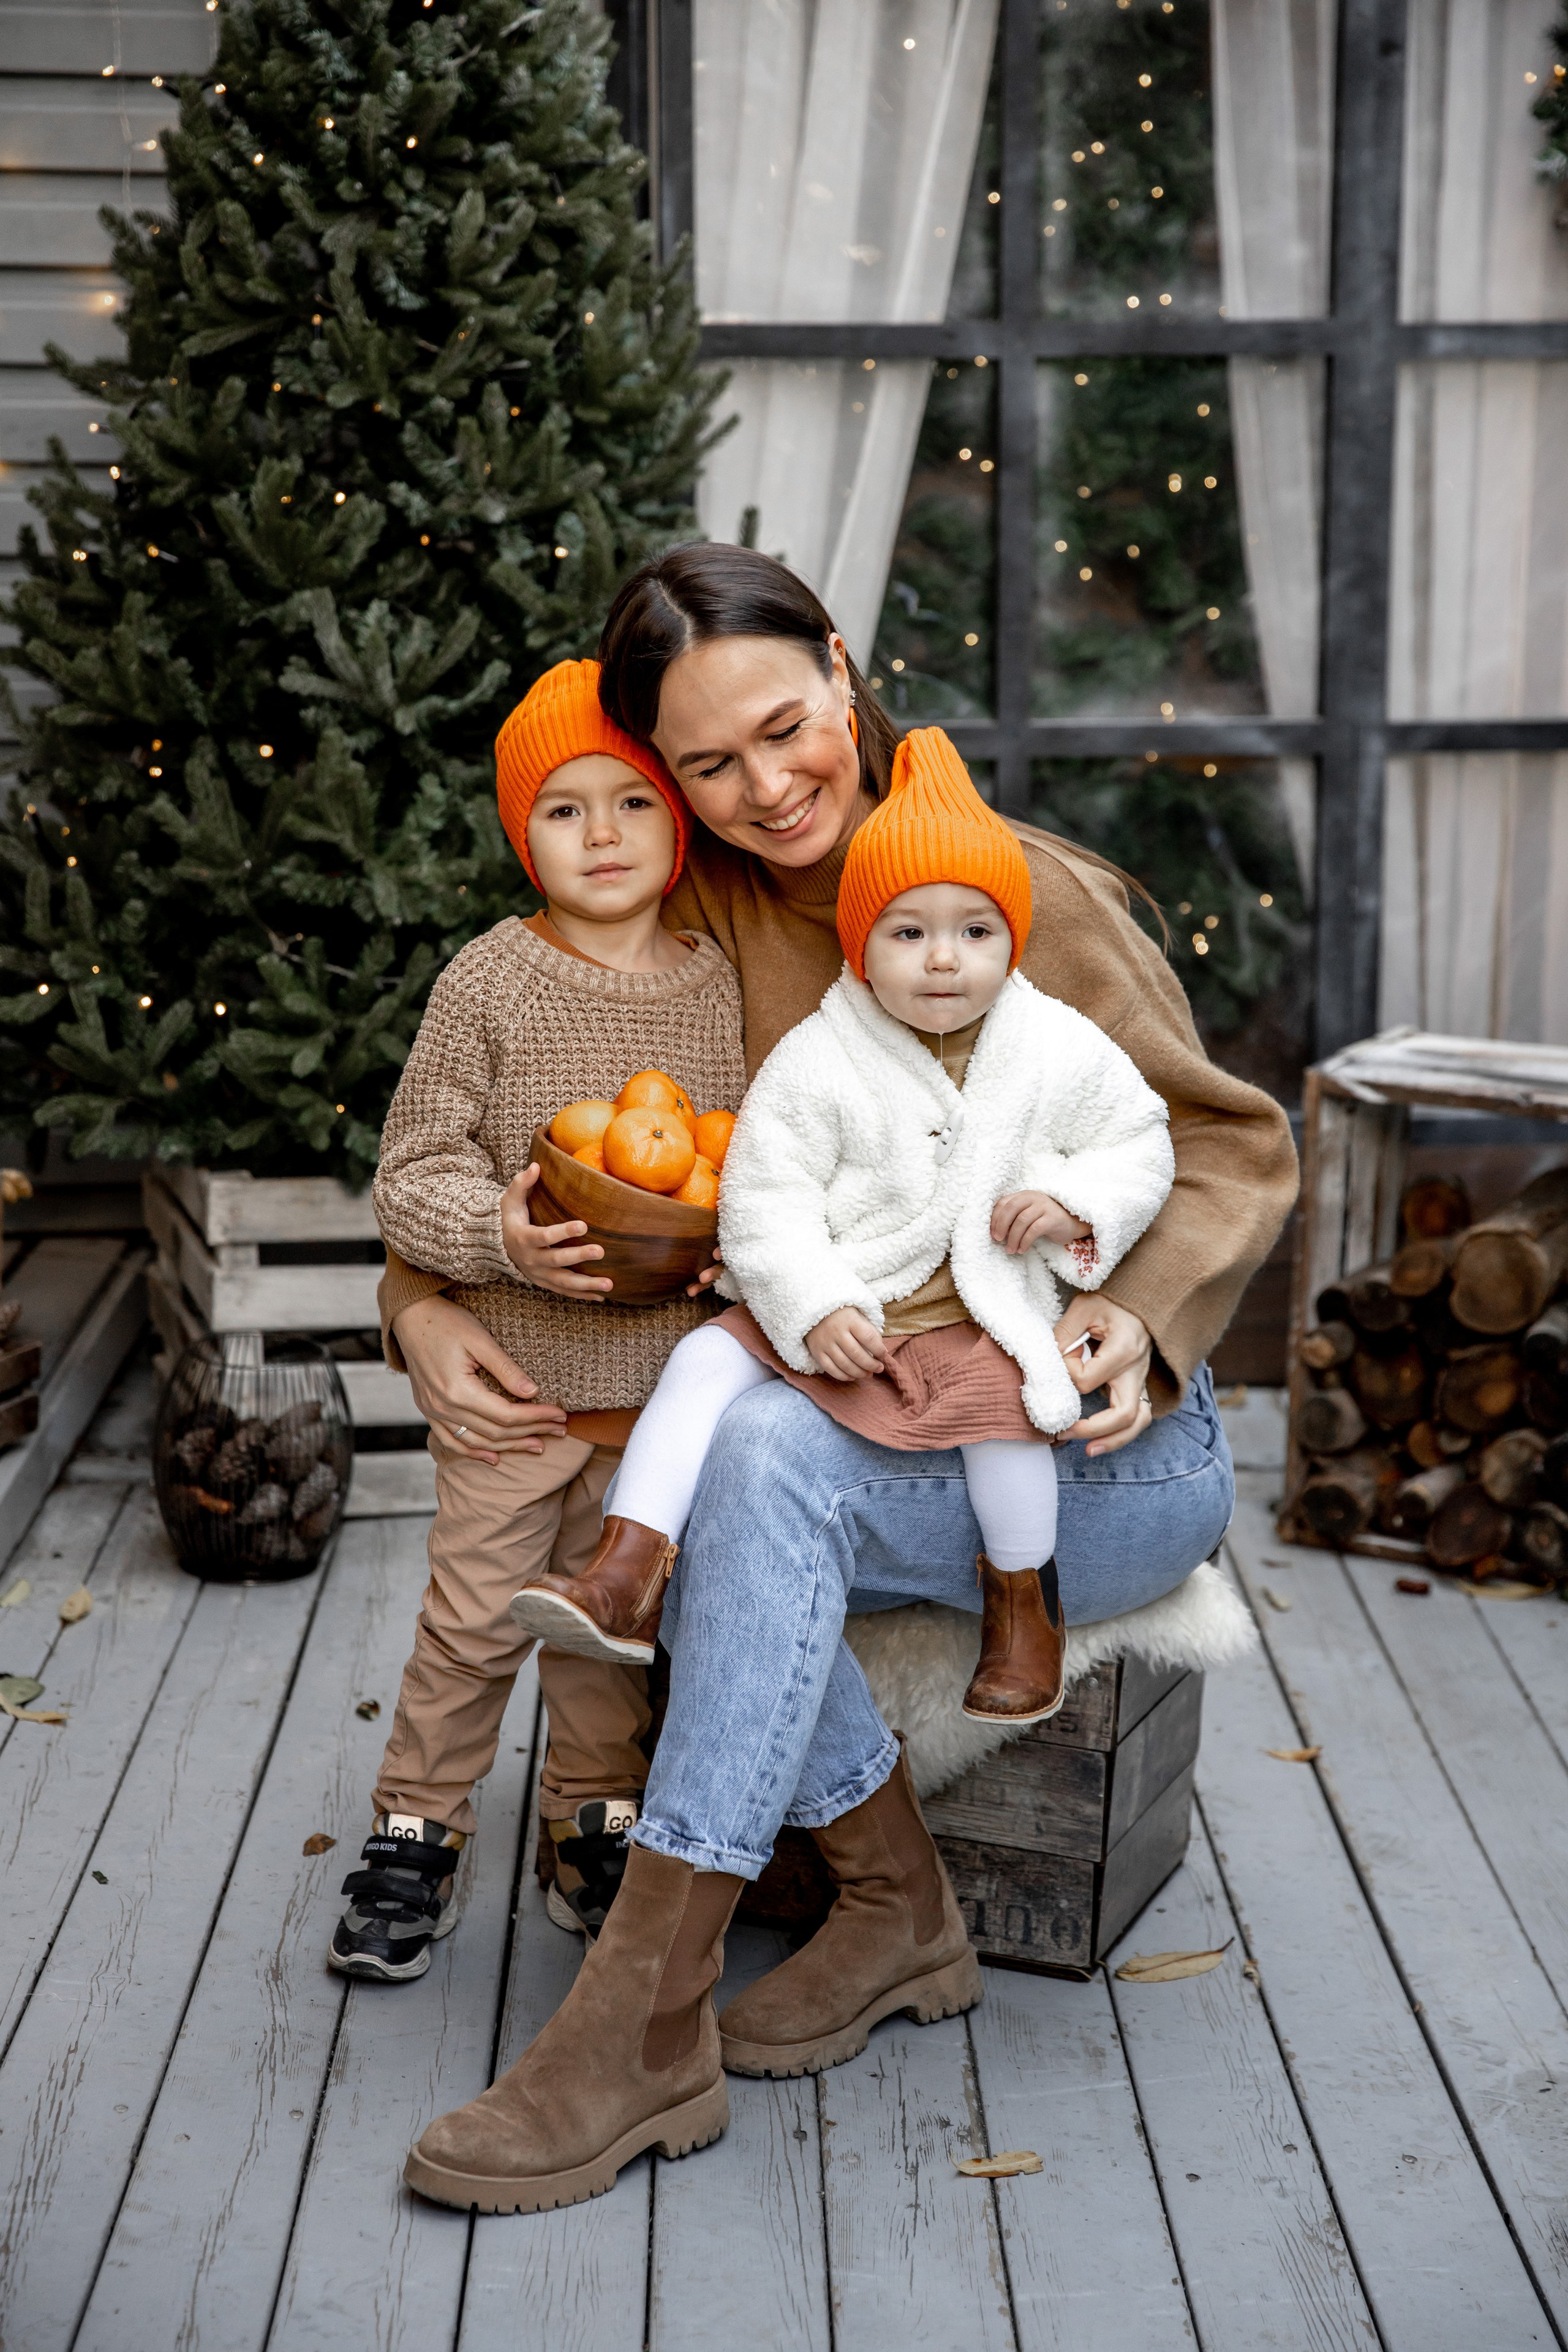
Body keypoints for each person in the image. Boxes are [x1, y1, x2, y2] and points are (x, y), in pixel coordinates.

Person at [391, 545, 1297, 2218]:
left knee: (747, 1477)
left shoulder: (1012, 897)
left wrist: (1136, 1315)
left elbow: (1229, 1140)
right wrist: (418, 1296)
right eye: (706, 766)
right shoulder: (705, 918)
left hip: (1089, 1454)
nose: (763, 789)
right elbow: (575, 1142)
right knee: (733, 1459)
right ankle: (889, 1911)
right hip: (866, 1416)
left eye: (783, 727)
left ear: (840, 666)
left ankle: (651, 2018)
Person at [510, 725, 1174, 1728]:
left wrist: (1078, 1203)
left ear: (1012, 941)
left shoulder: (1055, 1046)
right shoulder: (822, 1054)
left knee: (1007, 1434)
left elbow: (1141, 1140)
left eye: (975, 931)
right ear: (860, 946)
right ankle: (624, 1573)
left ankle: (1023, 1609)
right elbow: (764, 1195)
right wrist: (813, 1302)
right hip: (849, 1292)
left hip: (976, 1310)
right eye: (907, 933)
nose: (943, 959)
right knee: (702, 1364)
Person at [328, 658, 744, 1982]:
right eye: (565, 810)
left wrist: (732, 1253)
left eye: (632, 801)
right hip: (514, 1392)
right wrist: (495, 1237)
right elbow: (414, 1168)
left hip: (659, 1404)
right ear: (524, 836)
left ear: (679, 819)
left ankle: (589, 1819)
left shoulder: (722, 986)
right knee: (472, 1623)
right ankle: (418, 1827)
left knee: (610, 1636)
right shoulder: (490, 983)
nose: (602, 834)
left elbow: (756, 1162)